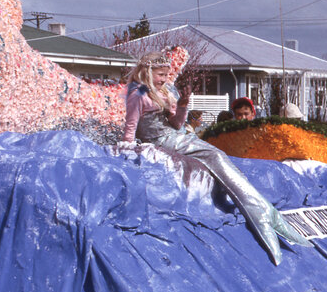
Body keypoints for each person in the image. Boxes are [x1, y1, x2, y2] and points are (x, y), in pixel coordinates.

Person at [123, 53, 308, 264]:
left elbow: (176, 124)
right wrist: (128, 149)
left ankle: (263, 210)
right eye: (160, 74)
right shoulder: (139, 94)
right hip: (160, 142)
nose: (165, 78)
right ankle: (259, 212)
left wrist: (182, 105)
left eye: (167, 74)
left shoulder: (163, 92)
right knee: (214, 155)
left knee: (217, 155)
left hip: (175, 136)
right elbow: (131, 127)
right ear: (147, 72)